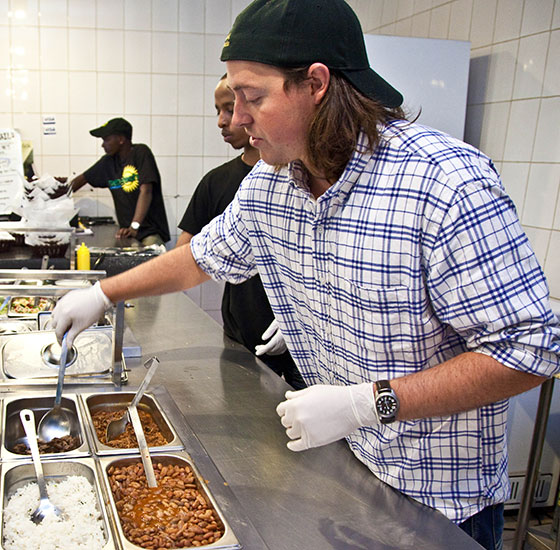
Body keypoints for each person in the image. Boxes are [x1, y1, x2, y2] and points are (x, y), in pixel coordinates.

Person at [52, 1, 560, 548]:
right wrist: (103, 293)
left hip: (435, 503)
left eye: (253, 97)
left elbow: (528, 351)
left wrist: (365, 404)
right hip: (342, 466)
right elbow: (200, 257)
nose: (238, 117)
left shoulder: (444, 184)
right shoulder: (274, 183)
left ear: (316, 83)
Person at [177, 74, 304, 389]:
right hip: (243, 334)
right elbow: (188, 254)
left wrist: (299, 320)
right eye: (219, 111)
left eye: (231, 108)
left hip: (306, 342)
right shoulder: (226, 182)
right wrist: (110, 291)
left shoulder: (301, 178)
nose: (227, 120)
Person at [70, 117, 170, 246]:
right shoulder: (108, 162)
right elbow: (82, 179)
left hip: (149, 232)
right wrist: (53, 194)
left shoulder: (141, 153)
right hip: (128, 233)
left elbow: (146, 191)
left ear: (121, 139)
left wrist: (134, 226)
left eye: (106, 139)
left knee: (153, 260)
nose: (103, 144)